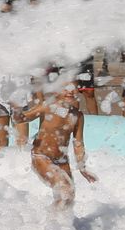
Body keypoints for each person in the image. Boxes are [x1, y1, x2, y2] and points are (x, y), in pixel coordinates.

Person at [13, 77, 97, 211]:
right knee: (65, 190)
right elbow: (25, 117)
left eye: (73, 88)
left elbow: (78, 143)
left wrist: (82, 167)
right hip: (41, 157)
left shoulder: (78, 116)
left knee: (69, 196)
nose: (69, 92)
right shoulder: (48, 106)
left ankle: (57, 222)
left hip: (62, 160)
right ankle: (48, 221)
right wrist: (17, 113)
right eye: (65, 88)